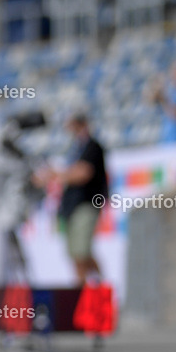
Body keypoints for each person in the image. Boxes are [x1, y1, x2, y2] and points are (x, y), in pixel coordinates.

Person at [36, 112, 108, 285]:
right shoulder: (75, 149)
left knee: (81, 251)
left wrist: (57, 174)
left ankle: (92, 291)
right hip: (71, 206)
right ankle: (90, 289)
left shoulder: (93, 146)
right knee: (77, 253)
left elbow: (83, 173)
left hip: (86, 203)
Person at [150, 64, 176, 143]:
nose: (174, 77)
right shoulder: (173, 92)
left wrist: (164, 99)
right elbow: (149, 101)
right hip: (168, 140)